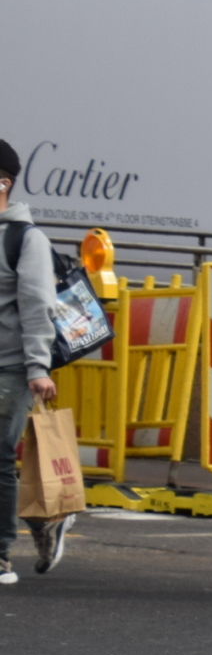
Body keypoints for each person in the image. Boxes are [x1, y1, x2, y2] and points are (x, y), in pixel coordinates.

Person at [0, 139, 72, 585]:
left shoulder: (25, 239)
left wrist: (38, 368)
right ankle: (44, 521)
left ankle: (0, 555)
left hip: (9, 369)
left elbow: (35, 305)